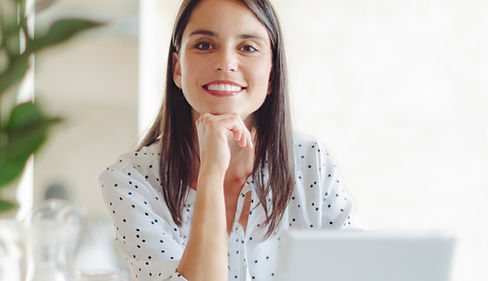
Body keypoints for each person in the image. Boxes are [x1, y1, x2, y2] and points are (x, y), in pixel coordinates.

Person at [100, 0, 357, 280]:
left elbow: (360, 268)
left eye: (247, 48)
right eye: (204, 45)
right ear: (177, 69)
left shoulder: (311, 162)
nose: (225, 63)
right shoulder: (131, 181)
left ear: (271, 75)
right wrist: (212, 173)